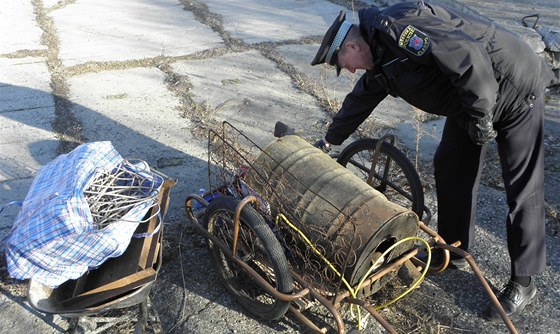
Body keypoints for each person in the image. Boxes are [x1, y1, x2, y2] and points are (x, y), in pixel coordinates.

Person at [311, 1, 553, 321]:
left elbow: (468, 58)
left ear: (353, 45)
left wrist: (481, 122)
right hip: (471, 98)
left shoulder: (400, 31)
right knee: (450, 166)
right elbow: (362, 97)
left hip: (511, 87)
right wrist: (328, 141)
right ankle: (453, 249)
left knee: (522, 189)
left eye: (344, 63)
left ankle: (523, 281)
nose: (350, 70)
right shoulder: (380, 55)